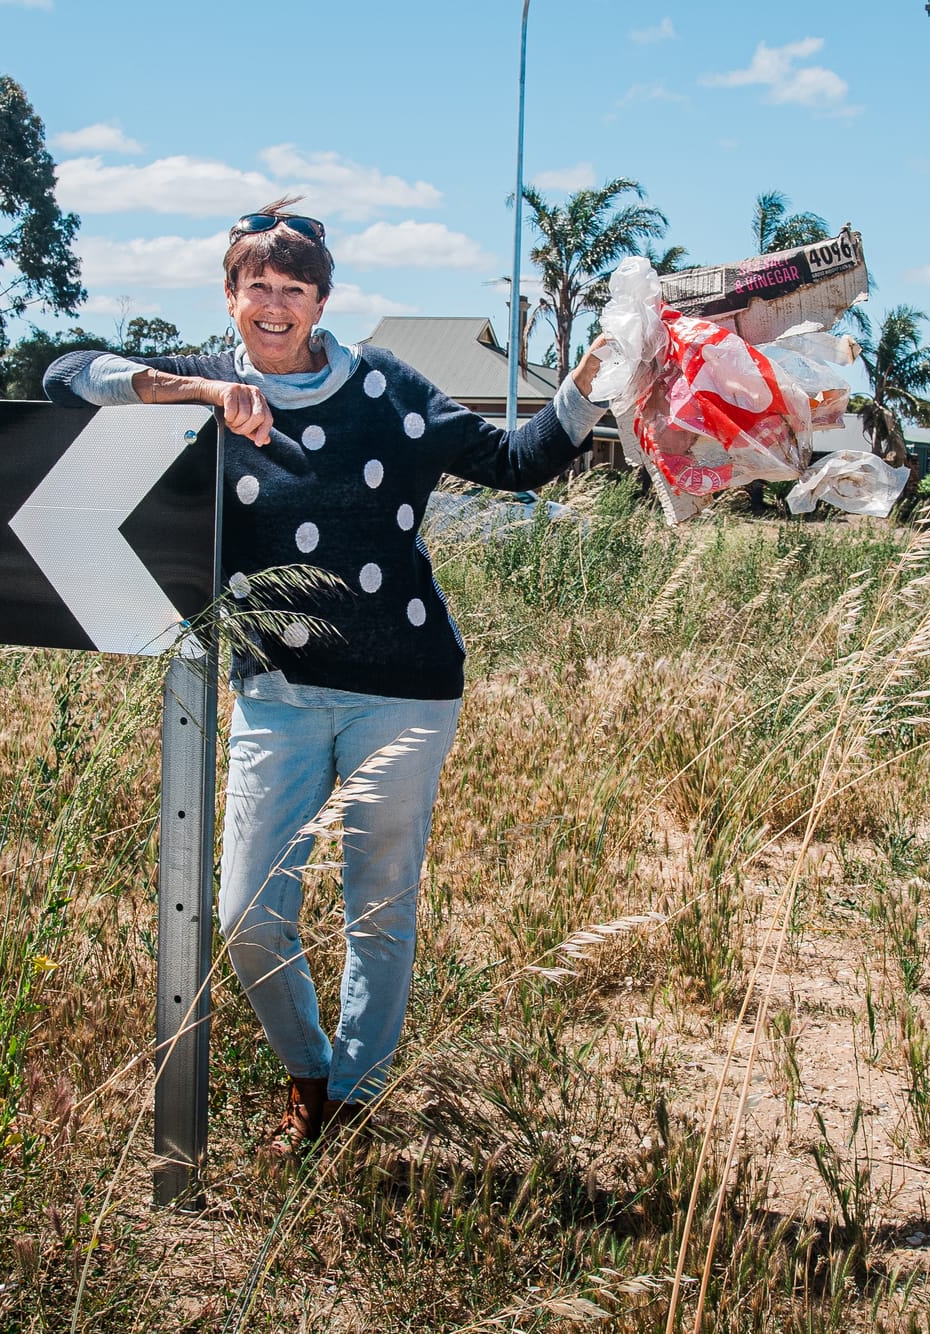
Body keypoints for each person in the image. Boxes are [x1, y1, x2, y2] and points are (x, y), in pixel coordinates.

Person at [43, 197, 610, 1153]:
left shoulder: (382, 387)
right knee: (248, 914)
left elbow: (515, 462)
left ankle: (346, 1099)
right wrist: (200, 398)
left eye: (294, 289)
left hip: (408, 689)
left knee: (378, 909)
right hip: (277, 692)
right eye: (256, 286)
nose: (275, 304)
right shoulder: (202, 383)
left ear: (321, 300)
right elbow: (64, 374)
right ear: (230, 296)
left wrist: (589, 380)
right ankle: (309, 1067)